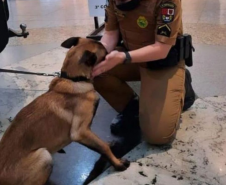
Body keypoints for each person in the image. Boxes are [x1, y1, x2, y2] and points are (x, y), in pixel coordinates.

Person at [92, 0, 196, 146]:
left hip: (161, 63)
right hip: (130, 56)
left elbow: (162, 48)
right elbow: (110, 33)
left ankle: (183, 83)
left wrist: (123, 57)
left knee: (158, 135)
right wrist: (95, 57)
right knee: (94, 72)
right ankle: (132, 108)